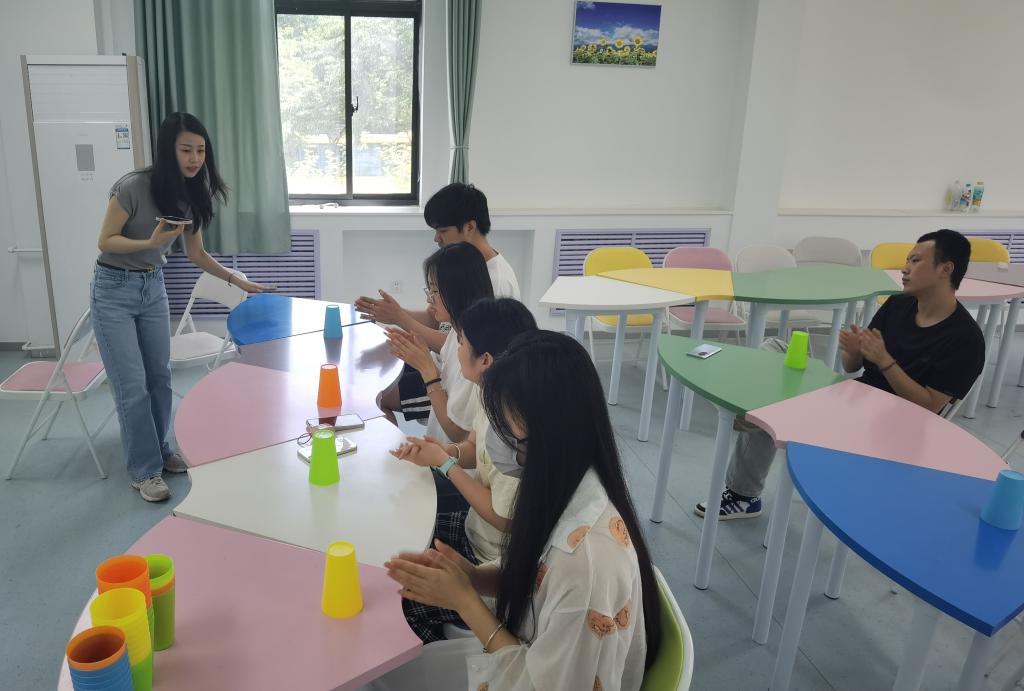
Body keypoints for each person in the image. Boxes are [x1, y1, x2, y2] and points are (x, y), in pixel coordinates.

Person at [367, 331, 660, 690]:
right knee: (387, 669)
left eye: (509, 434)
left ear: (550, 434)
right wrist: (473, 577)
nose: (496, 440)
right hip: (526, 643)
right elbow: (539, 574)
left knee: (384, 674)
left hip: (530, 671)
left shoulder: (586, 564)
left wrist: (465, 600)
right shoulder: (569, 482)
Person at [698, 228, 986, 520]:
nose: (905, 268)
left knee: (773, 403)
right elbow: (852, 367)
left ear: (945, 269)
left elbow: (929, 407)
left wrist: (885, 361)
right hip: (854, 396)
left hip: (895, 423)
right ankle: (750, 413)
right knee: (774, 348)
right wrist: (854, 350)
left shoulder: (965, 338)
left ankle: (745, 444)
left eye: (915, 261)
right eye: (907, 260)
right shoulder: (899, 305)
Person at [91, 112, 270, 502]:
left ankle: (160, 450)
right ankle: (144, 470)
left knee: (160, 377)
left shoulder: (190, 193)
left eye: (201, 151)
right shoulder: (133, 186)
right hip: (113, 290)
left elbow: (196, 253)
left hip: (152, 288)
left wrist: (237, 280)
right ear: (168, 150)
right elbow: (106, 241)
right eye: (186, 150)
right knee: (132, 385)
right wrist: (149, 243)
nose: (194, 159)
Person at [390, 298, 538, 642]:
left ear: (485, 360)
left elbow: (504, 518)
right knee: (399, 536)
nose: (455, 350)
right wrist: (446, 451)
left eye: (460, 342)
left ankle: (434, 647)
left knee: (400, 596)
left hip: (490, 558)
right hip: (474, 533)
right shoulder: (491, 392)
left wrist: (445, 464)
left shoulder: (515, 427)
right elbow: (472, 446)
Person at [355, 183, 520, 423]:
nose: (436, 239)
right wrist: (394, 313)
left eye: (442, 230)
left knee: (376, 398)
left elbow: (464, 348)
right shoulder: (466, 266)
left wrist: (401, 320)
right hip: (442, 364)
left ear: (470, 227)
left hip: (455, 379)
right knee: (371, 375)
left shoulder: (495, 282)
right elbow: (436, 320)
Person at [385, 244, 494, 444]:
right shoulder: (457, 331)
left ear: (459, 291)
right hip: (440, 450)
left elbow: (458, 434)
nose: (429, 299)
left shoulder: (477, 348)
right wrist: (417, 353)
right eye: (429, 290)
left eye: (434, 291)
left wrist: (427, 370)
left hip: (451, 457)